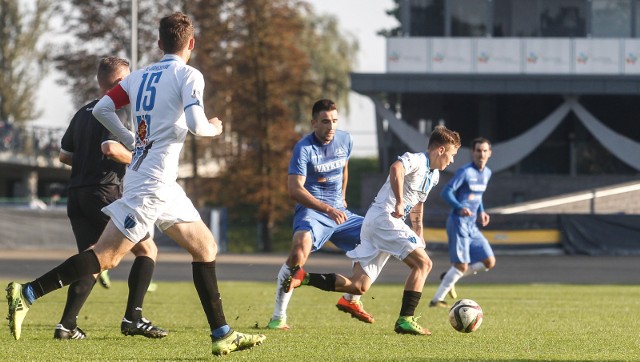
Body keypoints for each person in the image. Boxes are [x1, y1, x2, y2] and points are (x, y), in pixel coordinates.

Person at [6, 12, 265, 356]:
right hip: (152, 184)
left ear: (159, 44)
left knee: (205, 247)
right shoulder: (188, 75)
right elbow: (196, 124)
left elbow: (101, 109)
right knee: (106, 258)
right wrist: (216, 127)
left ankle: (222, 333)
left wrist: (132, 138)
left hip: (159, 181)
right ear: (191, 43)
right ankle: (27, 294)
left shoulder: (139, 76)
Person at [283, 125, 461, 336]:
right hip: (384, 218)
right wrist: (399, 201)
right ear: (440, 150)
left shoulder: (434, 175)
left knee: (358, 286)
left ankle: (304, 277)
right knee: (424, 264)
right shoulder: (416, 159)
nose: (452, 160)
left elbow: (418, 204)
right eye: (452, 154)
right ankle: (406, 319)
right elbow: (396, 169)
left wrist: (418, 231)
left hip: (378, 223)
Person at [56, 57, 166, 340]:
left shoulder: (82, 112)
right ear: (119, 83)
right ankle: (134, 318)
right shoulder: (117, 109)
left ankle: (66, 326)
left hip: (77, 194)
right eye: (128, 80)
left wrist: (87, 164)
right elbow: (110, 148)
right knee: (147, 250)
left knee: (92, 260)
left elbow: (64, 155)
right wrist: (142, 160)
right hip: (104, 192)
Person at [267, 99, 374, 330]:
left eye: (334, 121)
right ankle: (278, 316)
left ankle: (352, 299)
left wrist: (342, 197)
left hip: (340, 212)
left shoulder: (345, 139)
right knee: (298, 250)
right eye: (325, 121)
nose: (331, 126)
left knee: (376, 235)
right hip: (314, 212)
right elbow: (295, 190)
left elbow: (344, 168)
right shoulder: (303, 148)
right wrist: (327, 209)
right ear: (314, 122)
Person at [429, 137, 496, 308]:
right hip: (458, 222)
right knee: (460, 265)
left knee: (489, 261)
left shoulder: (487, 173)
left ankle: (449, 276)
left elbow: (477, 196)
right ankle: (437, 300)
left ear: (490, 153)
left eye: (484, 150)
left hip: (472, 225)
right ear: (472, 153)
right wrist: (459, 207)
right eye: (478, 150)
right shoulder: (465, 172)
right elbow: (446, 192)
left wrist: (481, 211)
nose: (481, 154)